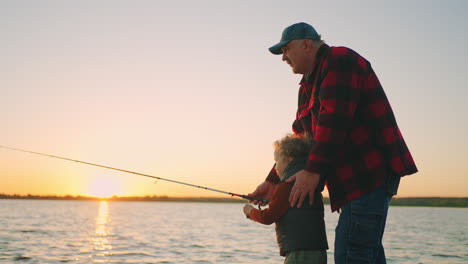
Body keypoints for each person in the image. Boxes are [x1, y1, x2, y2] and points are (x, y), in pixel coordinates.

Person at [249, 22, 418, 264]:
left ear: (307, 44)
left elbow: (334, 120)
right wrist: (273, 180)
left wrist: (312, 170)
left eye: (286, 49)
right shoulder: (306, 85)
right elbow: (300, 140)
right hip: (351, 182)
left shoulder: (339, 60)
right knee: (363, 253)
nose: (283, 57)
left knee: (352, 253)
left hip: (369, 175)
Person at [243, 133, 328, 264]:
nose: (275, 168)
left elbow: (268, 217)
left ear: (288, 159)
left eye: (276, 162)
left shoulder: (286, 186)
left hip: (298, 253)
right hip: (318, 250)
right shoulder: (311, 184)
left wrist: (249, 211)